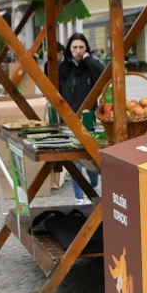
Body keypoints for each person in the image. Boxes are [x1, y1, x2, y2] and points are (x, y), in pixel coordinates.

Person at [58, 35, 104, 204]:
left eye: (81, 47)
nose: (78, 51)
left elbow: (102, 74)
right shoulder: (64, 68)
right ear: (69, 48)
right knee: (75, 158)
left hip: (88, 119)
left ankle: (92, 184)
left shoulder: (90, 66)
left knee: (90, 157)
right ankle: (79, 197)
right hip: (69, 119)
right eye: (75, 47)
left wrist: (88, 59)